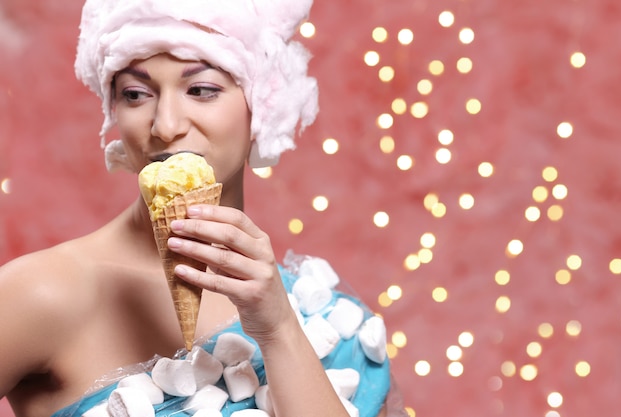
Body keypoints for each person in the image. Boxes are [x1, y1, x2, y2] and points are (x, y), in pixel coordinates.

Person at [0, 0, 406, 416]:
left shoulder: (324, 315)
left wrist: (279, 329)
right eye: (136, 94)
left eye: (201, 90)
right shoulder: (41, 293)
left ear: (262, 107)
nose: (166, 125)